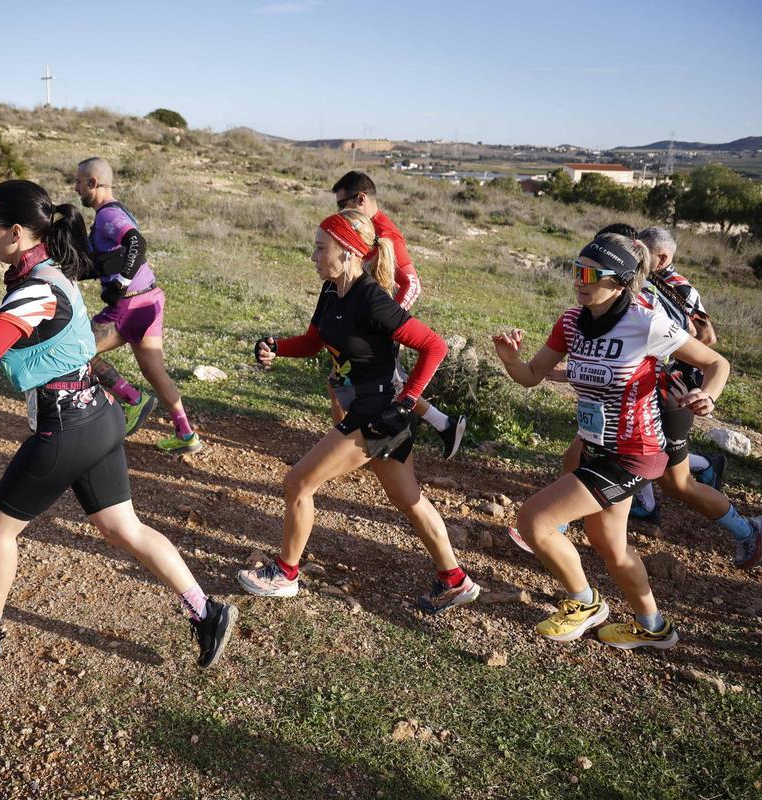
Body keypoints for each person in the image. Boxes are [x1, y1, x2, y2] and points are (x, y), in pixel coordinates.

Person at [0, 180, 236, 667]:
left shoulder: (34, 288)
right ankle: (206, 611)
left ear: (18, 232)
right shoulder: (53, 271)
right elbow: (40, 338)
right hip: (99, 414)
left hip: (65, 426)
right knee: (123, 527)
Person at [493, 233, 729, 650]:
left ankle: (584, 603)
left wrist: (707, 396)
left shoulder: (646, 323)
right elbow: (530, 376)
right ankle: (653, 626)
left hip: (634, 452)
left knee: (534, 521)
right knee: (610, 545)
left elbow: (715, 362)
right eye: (576, 271)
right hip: (596, 446)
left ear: (619, 281)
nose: (578, 281)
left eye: (589, 274)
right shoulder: (571, 322)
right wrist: (511, 359)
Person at [237, 210, 481, 613]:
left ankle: (285, 575)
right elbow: (314, 342)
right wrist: (278, 347)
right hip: (371, 411)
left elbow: (434, 346)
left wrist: (406, 402)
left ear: (348, 251)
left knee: (298, 483)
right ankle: (455, 580)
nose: (313, 255)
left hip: (375, 415)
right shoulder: (331, 291)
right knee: (409, 499)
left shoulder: (373, 300)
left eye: (321, 247)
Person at [630, 226, 762, 567]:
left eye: (642, 251)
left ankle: (746, 528)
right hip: (649, 384)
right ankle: (644, 504)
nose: (635, 256)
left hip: (673, 387)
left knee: (675, 482)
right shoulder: (642, 280)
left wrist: (675, 351)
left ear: (661, 257)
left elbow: (707, 338)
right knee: (631, 452)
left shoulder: (678, 288)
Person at [331, 171, 466, 459]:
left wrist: (389, 322)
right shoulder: (365, 228)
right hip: (368, 321)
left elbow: (412, 283)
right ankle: (444, 424)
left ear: (361, 199)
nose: (339, 211)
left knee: (360, 381)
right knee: (350, 380)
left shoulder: (385, 233)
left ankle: (346, 448)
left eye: (343, 204)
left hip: (379, 324)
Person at [73, 156, 197, 453]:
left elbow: (137, 244)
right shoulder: (118, 210)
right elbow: (113, 258)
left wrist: (120, 283)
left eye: (78, 182)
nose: (75, 188)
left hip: (129, 306)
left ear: (93, 182)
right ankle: (186, 434)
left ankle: (133, 399)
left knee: (74, 349)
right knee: (155, 372)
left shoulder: (107, 215)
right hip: (150, 300)